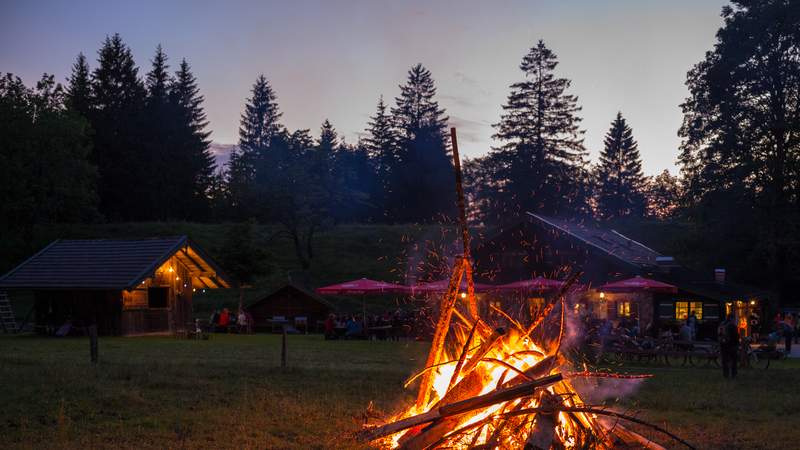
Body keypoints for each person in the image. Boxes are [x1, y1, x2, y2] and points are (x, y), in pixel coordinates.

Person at [718, 314, 740, 379]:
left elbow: (719, 334)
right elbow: (736, 336)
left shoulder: (722, 324)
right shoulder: (732, 326)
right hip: (732, 345)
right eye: (735, 319)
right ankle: (733, 374)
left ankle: (726, 374)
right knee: (734, 360)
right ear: (731, 318)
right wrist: (737, 343)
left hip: (723, 344)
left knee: (725, 360)